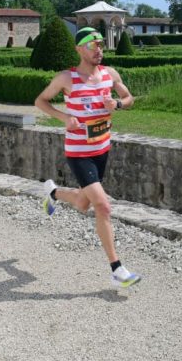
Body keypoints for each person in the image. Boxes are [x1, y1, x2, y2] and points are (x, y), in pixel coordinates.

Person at [34, 27, 141, 288]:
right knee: (102, 206)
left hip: (102, 149)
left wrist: (117, 104)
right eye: (93, 46)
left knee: (83, 203)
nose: (99, 50)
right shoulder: (66, 78)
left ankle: (53, 193)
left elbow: (129, 98)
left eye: (101, 45)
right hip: (79, 152)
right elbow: (41, 101)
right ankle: (117, 269)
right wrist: (64, 117)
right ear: (79, 49)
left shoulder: (109, 74)